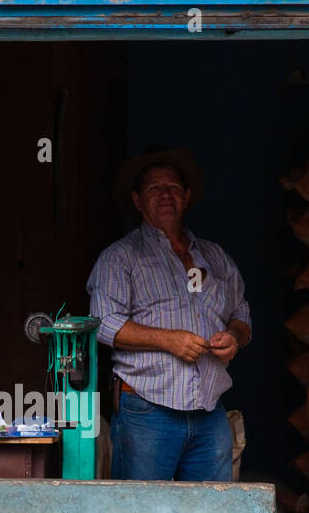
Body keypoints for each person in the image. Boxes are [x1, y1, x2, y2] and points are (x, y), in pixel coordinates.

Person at [86, 146, 251, 482]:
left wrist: (234, 337)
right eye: (154, 188)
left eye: (173, 188)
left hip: (209, 414)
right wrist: (168, 340)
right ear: (137, 200)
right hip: (147, 412)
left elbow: (242, 315)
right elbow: (104, 324)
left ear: (186, 197)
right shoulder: (121, 257)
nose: (165, 195)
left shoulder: (215, 257)